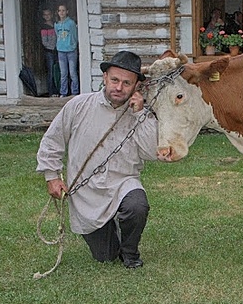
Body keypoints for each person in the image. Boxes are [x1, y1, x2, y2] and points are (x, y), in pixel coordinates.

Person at [36, 51, 158, 268]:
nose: (119, 87)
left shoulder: (141, 115)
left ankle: (130, 253)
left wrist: (140, 114)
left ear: (136, 87)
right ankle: (111, 233)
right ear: (104, 78)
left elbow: (151, 152)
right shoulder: (78, 105)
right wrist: (51, 176)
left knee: (137, 205)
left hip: (123, 183)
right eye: (114, 80)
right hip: (86, 193)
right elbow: (52, 140)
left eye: (127, 83)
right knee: (105, 256)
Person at [54, 4, 79, 97]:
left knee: (72, 73)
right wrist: (59, 45)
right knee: (63, 73)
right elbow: (57, 35)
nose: (61, 12)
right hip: (61, 50)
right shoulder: (56, 24)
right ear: (57, 12)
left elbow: (74, 35)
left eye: (63, 10)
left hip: (71, 50)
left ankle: (74, 92)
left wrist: (73, 45)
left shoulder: (71, 23)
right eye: (60, 10)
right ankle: (63, 92)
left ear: (67, 12)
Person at [40, 8, 59, 97]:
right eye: (45, 15)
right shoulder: (44, 27)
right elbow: (44, 42)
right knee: (51, 72)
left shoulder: (55, 24)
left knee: (57, 71)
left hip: (58, 50)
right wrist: (52, 47)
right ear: (43, 16)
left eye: (49, 14)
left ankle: (57, 90)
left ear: (52, 15)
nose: (47, 16)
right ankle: (51, 92)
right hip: (49, 51)